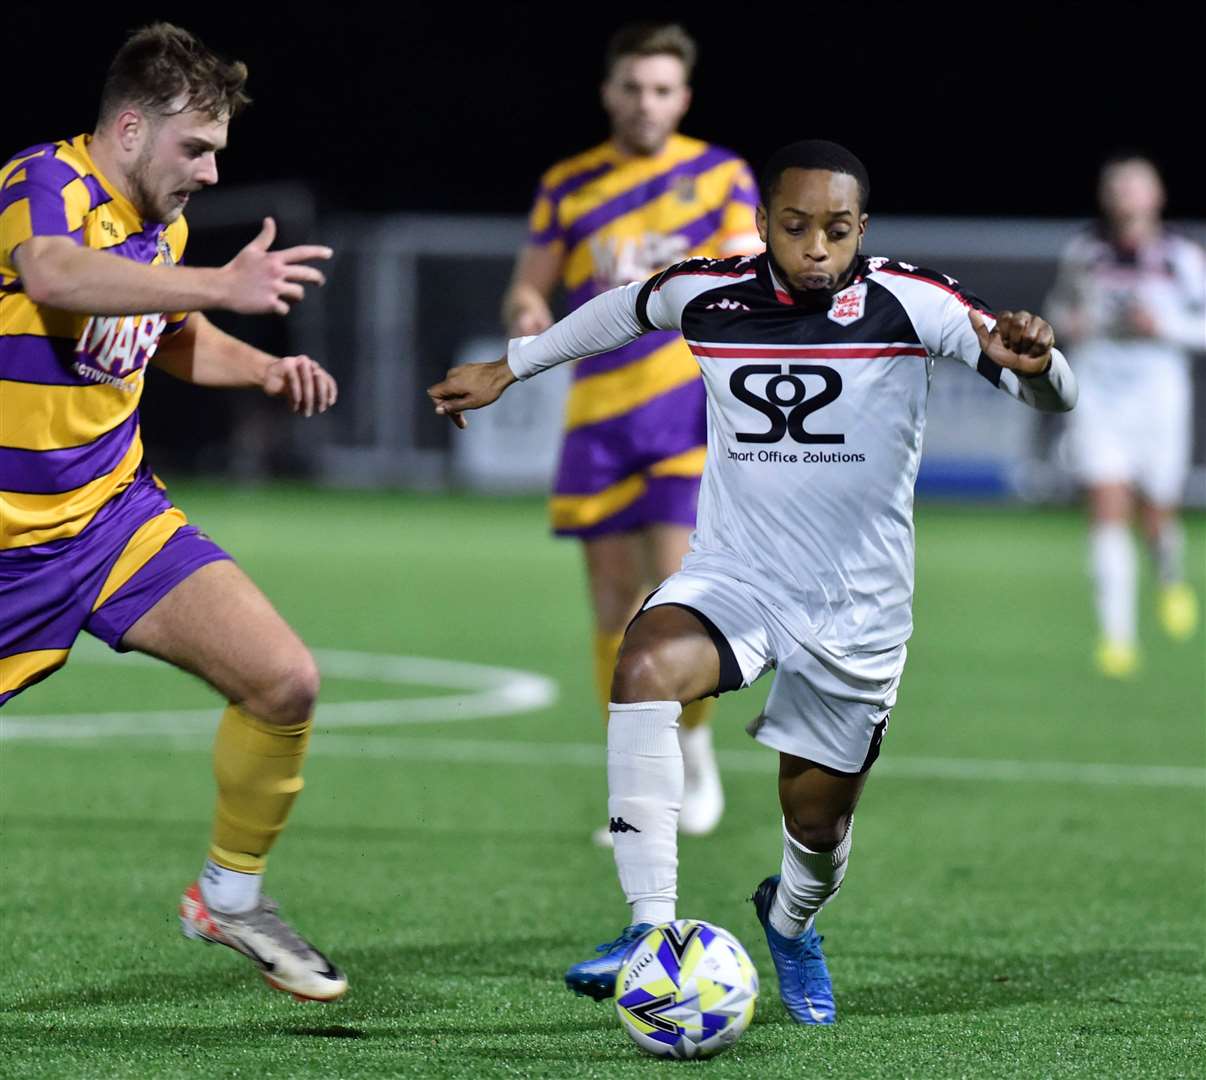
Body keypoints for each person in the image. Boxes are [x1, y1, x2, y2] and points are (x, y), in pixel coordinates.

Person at [429, 139, 1077, 1024]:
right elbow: (624, 307)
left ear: (863, 231)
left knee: (816, 827)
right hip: (737, 575)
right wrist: (513, 366)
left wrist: (1044, 367)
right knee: (645, 666)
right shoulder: (712, 290)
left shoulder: (913, 303)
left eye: (837, 231)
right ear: (763, 222)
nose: (817, 247)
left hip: (857, 611)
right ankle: (649, 932)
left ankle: (791, 918)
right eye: (796, 226)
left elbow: (1045, 394)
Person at [0, 23, 346, 1001]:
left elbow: (169, 336)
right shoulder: (45, 181)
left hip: (112, 519)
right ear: (127, 126)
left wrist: (264, 366)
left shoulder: (165, 230)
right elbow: (56, 276)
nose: (206, 169)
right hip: (5, 544)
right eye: (194, 148)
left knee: (284, 681)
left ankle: (230, 898)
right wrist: (226, 285)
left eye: (217, 154)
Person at [501, 23, 762, 842]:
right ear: (608, 92)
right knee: (612, 608)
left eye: (661, 89)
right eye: (632, 87)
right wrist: (527, 314)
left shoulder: (719, 177)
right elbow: (527, 288)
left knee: (677, 597)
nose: (645, 103)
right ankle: (635, 788)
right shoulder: (570, 185)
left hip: (684, 413)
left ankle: (695, 750)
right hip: (598, 424)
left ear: (681, 98)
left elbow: (752, 279)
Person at [1046, 155, 1205, 678]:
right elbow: (1058, 310)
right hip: (1099, 397)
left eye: (1137, 186)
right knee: (1107, 505)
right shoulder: (1085, 252)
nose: (1126, 196)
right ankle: (1117, 639)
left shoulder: (1180, 256)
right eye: (1117, 187)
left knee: (1157, 512)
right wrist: (1071, 323)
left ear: (1156, 196)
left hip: (1159, 400)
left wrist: (1161, 325)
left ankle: (1169, 576)